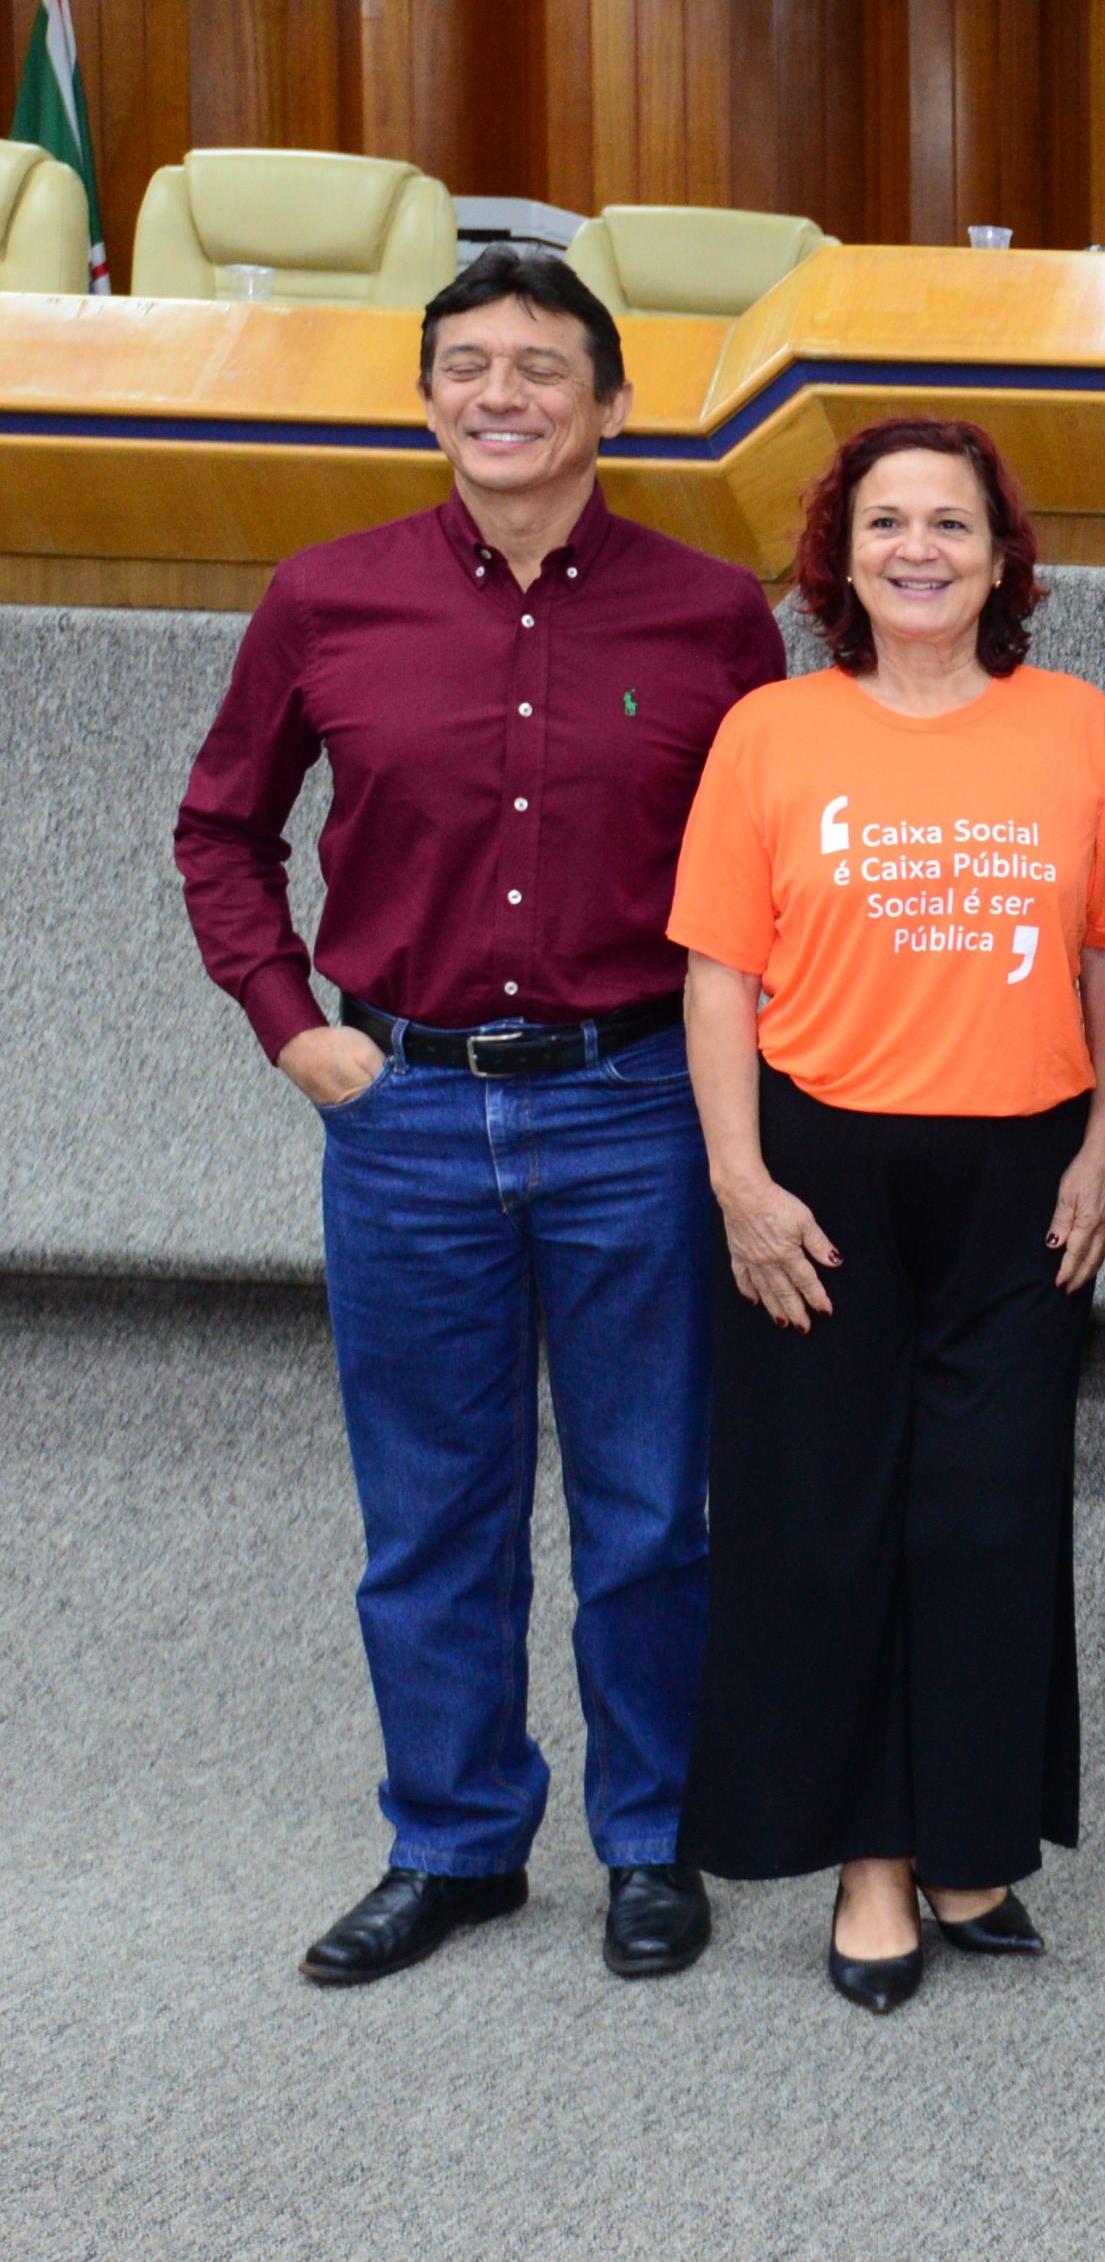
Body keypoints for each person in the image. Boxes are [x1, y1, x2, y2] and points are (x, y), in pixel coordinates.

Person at [173, 247, 785, 1990]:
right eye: (466, 365)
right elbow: (220, 831)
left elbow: (764, 876)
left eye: (539, 365)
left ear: (612, 403)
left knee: (649, 1504)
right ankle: (453, 1840)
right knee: (433, 1509)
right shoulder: (325, 598)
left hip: (633, 1109)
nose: (500, 394)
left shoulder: (712, 615)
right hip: (406, 1116)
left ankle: (651, 1834)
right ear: (428, 395)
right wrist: (291, 1028)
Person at [667, 417, 1105, 2014]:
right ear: (842, 554)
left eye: (952, 521)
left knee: (988, 1516)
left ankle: (969, 1839)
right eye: (888, 522)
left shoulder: (1078, 726)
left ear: (1003, 557)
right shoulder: (770, 730)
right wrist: (738, 1179)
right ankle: (873, 1857)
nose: (920, 548)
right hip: (818, 1171)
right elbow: (719, 975)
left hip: (1025, 1172)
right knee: (829, 1515)